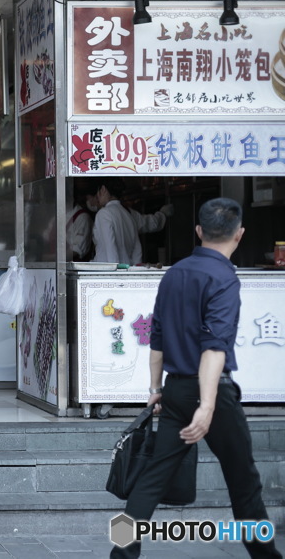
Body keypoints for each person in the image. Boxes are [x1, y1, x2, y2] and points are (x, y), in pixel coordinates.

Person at [111, 198, 281, 559]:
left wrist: (156, 390)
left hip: (175, 389)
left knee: (153, 478)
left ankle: (121, 554)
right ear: (240, 235)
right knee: (244, 482)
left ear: (199, 231)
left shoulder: (174, 273)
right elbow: (213, 348)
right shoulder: (224, 278)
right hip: (211, 394)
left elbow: (156, 338)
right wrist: (207, 406)